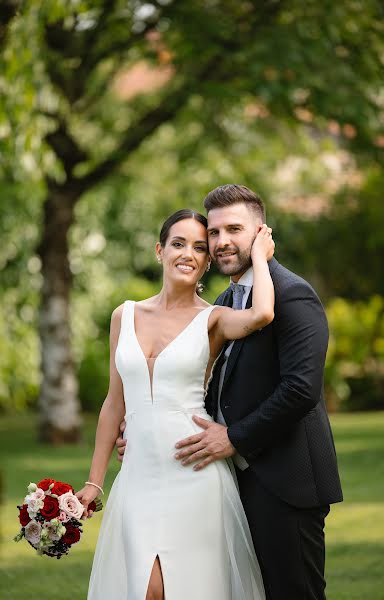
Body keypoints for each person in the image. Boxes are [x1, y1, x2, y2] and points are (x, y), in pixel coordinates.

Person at [118, 185, 343, 600]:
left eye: (234, 230)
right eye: (215, 233)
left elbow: (301, 389)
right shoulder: (225, 301)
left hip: (286, 482)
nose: (221, 242)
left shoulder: (293, 295)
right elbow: (208, 390)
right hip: (232, 482)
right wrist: (150, 432)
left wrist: (233, 437)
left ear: (261, 233)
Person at [76, 208, 275, 600]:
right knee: (144, 589)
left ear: (206, 263)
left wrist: (259, 258)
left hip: (194, 471)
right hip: (137, 475)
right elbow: (114, 404)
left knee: (183, 589)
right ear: (159, 250)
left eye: (200, 248)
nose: (188, 253)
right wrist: (94, 481)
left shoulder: (214, 319)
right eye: (178, 243)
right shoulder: (125, 314)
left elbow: (263, 313)